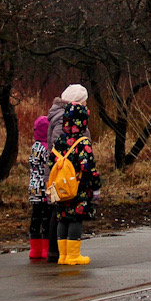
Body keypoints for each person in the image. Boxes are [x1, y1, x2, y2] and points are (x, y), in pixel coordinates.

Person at [44, 83, 88, 262]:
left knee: (59, 210)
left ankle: (58, 252)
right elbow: (62, 147)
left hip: (59, 171)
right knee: (64, 212)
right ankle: (60, 252)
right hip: (66, 173)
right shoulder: (65, 119)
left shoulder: (59, 116)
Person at [53, 103, 101, 266]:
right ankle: (74, 256)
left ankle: (63, 256)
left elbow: (51, 162)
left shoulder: (59, 140)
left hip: (61, 187)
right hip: (79, 187)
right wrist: (95, 187)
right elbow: (88, 167)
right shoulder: (82, 143)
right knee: (75, 219)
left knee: (62, 218)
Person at [27, 116, 53, 260]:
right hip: (45, 186)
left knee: (35, 217)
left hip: (34, 186)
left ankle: (34, 250)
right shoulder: (47, 148)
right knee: (46, 217)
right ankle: (45, 248)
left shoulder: (35, 147)